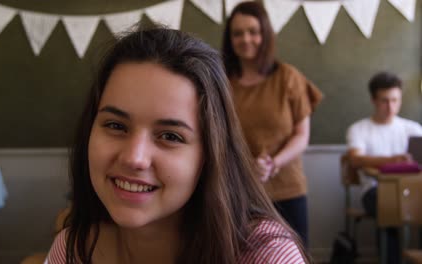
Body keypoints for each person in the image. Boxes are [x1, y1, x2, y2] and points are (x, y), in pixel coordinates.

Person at [45, 27, 309, 263]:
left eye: (170, 136)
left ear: (210, 155)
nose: (134, 158)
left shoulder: (267, 256)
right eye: (116, 126)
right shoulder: (71, 249)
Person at [222, 1, 322, 248]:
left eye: (253, 31)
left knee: (294, 255)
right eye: (238, 33)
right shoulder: (222, 82)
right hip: (238, 192)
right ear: (230, 39)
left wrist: (273, 163)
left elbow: (302, 135)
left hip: (288, 190)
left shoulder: (288, 77)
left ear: (265, 34)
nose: (246, 39)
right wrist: (248, 169)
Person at [346, 71, 422, 263]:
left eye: (395, 100)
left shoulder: (413, 129)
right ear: (373, 100)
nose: (391, 106)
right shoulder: (359, 129)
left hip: (411, 190)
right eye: (385, 101)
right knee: (390, 206)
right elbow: (355, 160)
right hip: (373, 191)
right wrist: (392, 160)